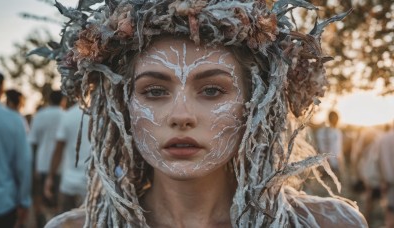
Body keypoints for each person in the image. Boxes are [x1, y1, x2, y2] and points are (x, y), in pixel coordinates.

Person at [41, 0, 367, 227]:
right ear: (123, 107)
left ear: (256, 105)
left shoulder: (327, 224)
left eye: (212, 90)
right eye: (154, 91)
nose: (181, 116)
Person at [0, 71, 32, 227]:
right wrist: (24, 201)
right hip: (2, 204)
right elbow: (23, 164)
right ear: (1, 90)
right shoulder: (14, 120)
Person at [44, 103, 91, 213]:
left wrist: (50, 177)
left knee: (67, 221)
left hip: (69, 182)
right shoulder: (98, 114)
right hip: (91, 183)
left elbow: (58, 150)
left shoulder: (67, 115)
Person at [29, 90, 65, 227]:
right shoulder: (64, 115)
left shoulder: (39, 115)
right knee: (56, 201)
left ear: (49, 100)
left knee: (41, 198)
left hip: (42, 163)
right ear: (63, 100)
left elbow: (33, 141)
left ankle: (42, 222)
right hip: (60, 165)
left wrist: (33, 166)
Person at [372, 124, 394, 227]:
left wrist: (382, 180)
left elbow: (377, 161)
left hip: (389, 181)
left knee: (390, 213)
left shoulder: (383, 139)